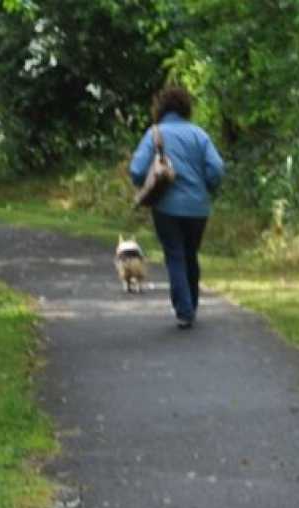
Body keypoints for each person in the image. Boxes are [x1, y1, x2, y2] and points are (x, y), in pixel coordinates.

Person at [128, 86, 224, 329]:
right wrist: (207, 187)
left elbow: (137, 170)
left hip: (166, 207)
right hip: (198, 208)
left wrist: (148, 180)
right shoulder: (199, 135)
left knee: (175, 255)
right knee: (190, 254)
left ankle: (184, 310)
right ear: (186, 108)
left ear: (160, 108)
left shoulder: (155, 133)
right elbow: (216, 169)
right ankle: (190, 302)